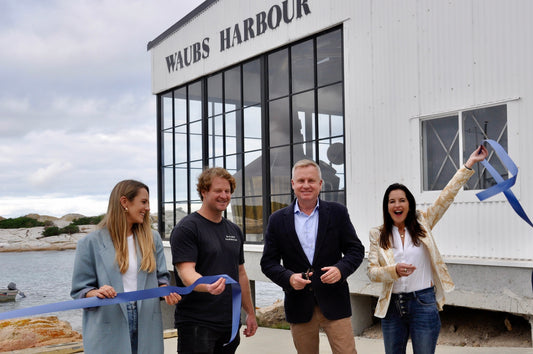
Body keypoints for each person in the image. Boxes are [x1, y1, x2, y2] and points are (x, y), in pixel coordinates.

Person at [367, 145, 489, 354]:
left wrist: (469, 165)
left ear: (409, 204)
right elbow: (371, 272)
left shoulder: (423, 222)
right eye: (392, 201)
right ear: (387, 207)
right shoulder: (377, 234)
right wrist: (393, 270)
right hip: (392, 307)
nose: (397, 205)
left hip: (423, 303)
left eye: (402, 200)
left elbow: (446, 197)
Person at [261, 159, 365, 354]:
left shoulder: (337, 213)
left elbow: (355, 250)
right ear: (293, 184)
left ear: (320, 184)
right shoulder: (277, 220)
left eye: (311, 180)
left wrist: (341, 270)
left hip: (335, 301)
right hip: (298, 304)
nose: (306, 185)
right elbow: (268, 263)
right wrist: (288, 278)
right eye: (301, 181)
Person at [71, 180, 181, 354]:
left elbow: (162, 278)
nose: (148, 208)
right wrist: (96, 292)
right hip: (108, 324)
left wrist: (165, 291)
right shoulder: (89, 243)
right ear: (124, 202)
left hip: (147, 322)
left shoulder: (153, 239)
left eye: (148, 202)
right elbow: (79, 291)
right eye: (143, 202)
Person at [170, 167, 258, 354]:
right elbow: (186, 273)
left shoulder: (234, 230)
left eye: (227, 191)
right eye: (218, 191)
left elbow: (240, 273)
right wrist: (206, 286)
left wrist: (250, 313)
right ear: (204, 192)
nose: (224, 196)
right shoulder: (187, 228)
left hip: (229, 322)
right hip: (197, 323)